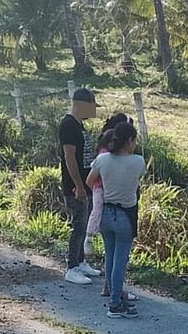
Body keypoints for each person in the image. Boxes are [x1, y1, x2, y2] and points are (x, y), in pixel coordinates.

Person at [86, 122, 146, 319]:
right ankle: (114, 303)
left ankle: (116, 298)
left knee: (110, 257)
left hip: (105, 213)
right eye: (134, 140)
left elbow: (89, 181)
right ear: (129, 141)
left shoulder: (102, 159)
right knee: (120, 261)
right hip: (125, 215)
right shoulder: (138, 161)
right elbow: (138, 180)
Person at [59, 87, 102, 285]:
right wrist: (78, 185)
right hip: (75, 187)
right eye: (91, 107)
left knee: (84, 224)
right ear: (81, 105)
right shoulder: (68, 125)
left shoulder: (79, 125)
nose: (93, 112)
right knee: (78, 225)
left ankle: (81, 261)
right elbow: (69, 158)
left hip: (85, 184)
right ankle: (71, 267)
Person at [84, 113, 133, 256]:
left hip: (108, 189)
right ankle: (89, 237)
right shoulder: (106, 152)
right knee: (97, 210)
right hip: (102, 188)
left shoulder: (109, 146)